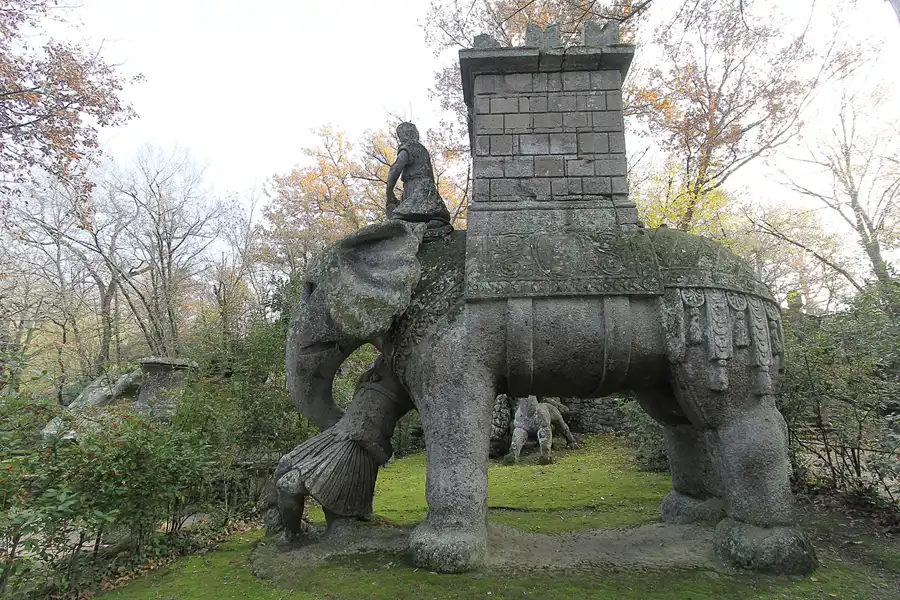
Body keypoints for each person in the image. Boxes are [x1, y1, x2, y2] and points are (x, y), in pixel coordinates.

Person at [385, 122, 452, 238]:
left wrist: (389, 194)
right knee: (433, 217)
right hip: (428, 191)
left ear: (401, 136)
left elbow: (395, 169)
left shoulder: (408, 147)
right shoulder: (423, 150)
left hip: (415, 189)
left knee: (398, 221)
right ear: (416, 134)